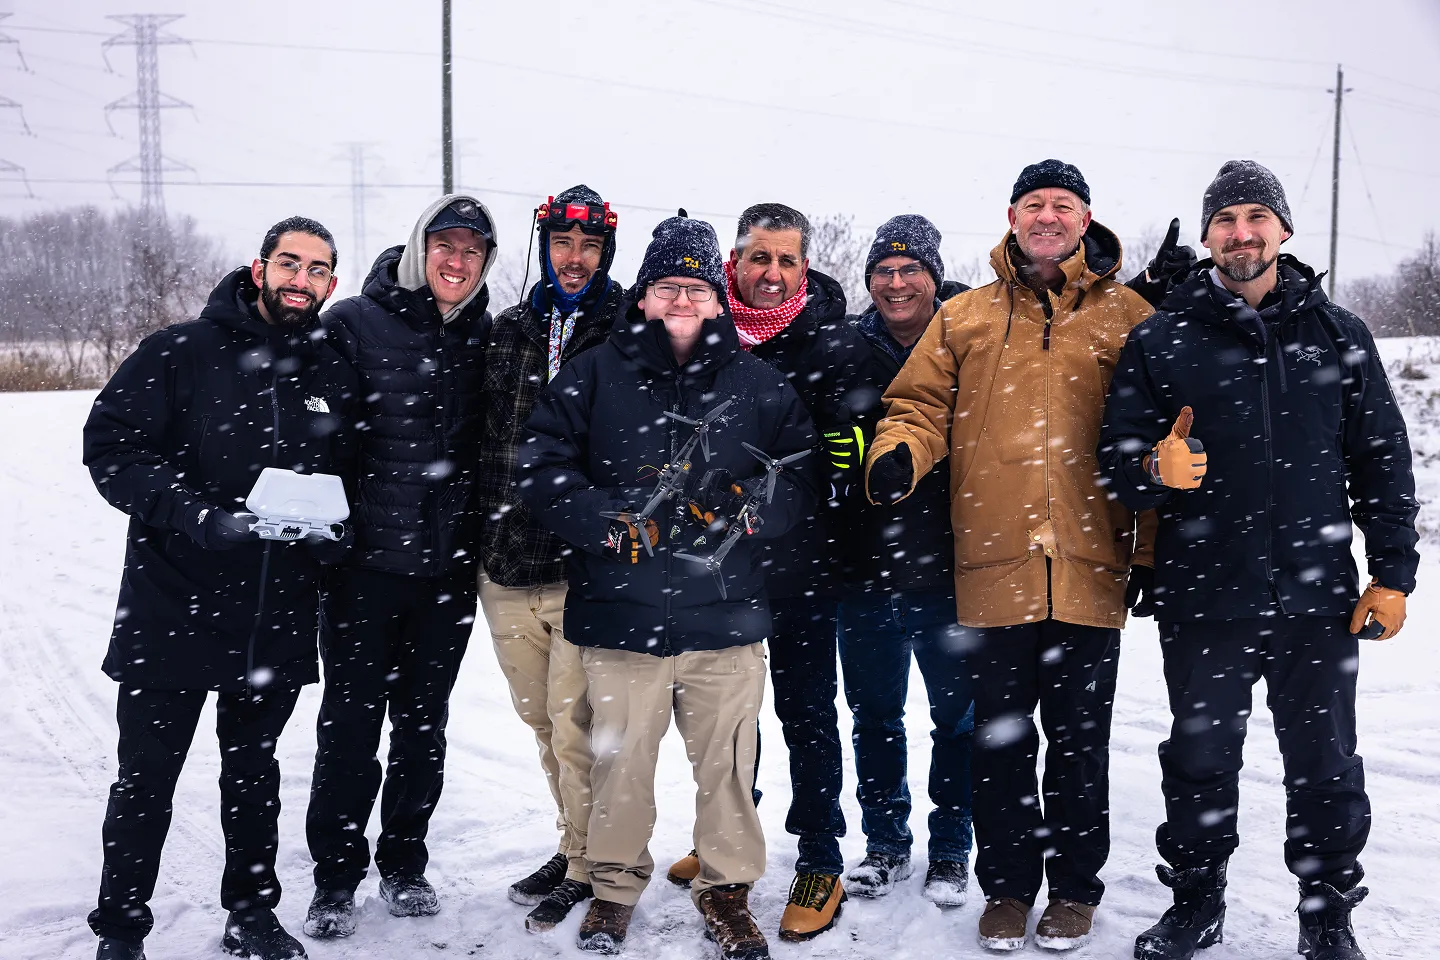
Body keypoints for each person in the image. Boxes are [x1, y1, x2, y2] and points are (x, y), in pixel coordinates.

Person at [1098, 160, 1419, 960]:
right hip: (1205, 597)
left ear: (1282, 230)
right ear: (1206, 236)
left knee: (1326, 764)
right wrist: (1149, 471)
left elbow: (1381, 459)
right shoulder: (1161, 336)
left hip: (1317, 597)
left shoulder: (1338, 333)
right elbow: (1114, 460)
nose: (1240, 234)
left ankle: (1327, 911)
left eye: (1254, 217)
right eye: (1225, 220)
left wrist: (1392, 573)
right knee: (1200, 759)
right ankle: (1197, 901)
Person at [865, 161, 1155, 952]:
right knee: (998, 739)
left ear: (1086, 218)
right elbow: (917, 406)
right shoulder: (964, 315)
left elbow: (1164, 432)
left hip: (1092, 563)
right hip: (993, 563)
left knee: (1080, 742)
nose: (1048, 216)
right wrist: (899, 453)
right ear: (1012, 216)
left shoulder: (1128, 315)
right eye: (1035, 205)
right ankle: (1006, 888)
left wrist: (1151, 552)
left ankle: (1074, 890)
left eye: (1063, 205)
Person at [520, 215, 818, 960]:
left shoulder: (758, 383)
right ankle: (614, 890)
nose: (681, 299)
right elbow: (542, 464)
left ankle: (726, 892)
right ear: (645, 297)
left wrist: (749, 509)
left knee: (727, 769)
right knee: (622, 766)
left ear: (717, 299)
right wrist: (605, 520)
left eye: (694, 286)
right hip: (620, 618)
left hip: (727, 620)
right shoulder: (592, 374)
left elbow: (801, 471)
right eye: (666, 286)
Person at [82, 217, 356, 960]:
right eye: (290, 263)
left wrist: (338, 532)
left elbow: (346, 477)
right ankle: (121, 928)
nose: (302, 279)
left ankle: (251, 915)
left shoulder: (329, 371)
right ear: (259, 267)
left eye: (319, 270)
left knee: (253, 775)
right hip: (172, 604)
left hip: (275, 611)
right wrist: (199, 516)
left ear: (332, 284)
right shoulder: (180, 350)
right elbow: (110, 448)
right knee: (145, 782)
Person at [666, 201, 878, 944]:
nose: (772, 272)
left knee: (808, 714)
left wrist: (802, 485)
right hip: (717, 570)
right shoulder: (701, 336)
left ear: (804, 265)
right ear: (735, 260)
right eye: (760, 257)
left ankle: (820, 857)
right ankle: (726, 837)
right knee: (727, 719)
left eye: (787, 259)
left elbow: (840, 459)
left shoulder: (835, 345)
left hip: (802, 567)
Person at [303, 195, 497, 938]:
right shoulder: (354, 322)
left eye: (473, 251)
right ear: (420, 247)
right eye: (445, 245)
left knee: (423, 724)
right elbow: (317, 434)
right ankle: (335, 877)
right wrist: (327, 539)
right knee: (351, 725)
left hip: (447, 573)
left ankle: (405, 863)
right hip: (363, 568)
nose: (457, 261)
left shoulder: (485, 334)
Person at [476, 185, 625, 931]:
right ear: (545, 248)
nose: (574, 259)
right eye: (563, 245)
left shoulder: (626, 330)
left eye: (589, 246)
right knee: (541, 722)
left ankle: (591, 867)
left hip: (582, 568)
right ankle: (572, 843)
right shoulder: (506, 329)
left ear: (605, 253)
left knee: (578, 725)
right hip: (505, 565)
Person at [838, 214, 975, 908]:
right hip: (861, 574)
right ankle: (887, 843)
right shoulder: (844, 348)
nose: (896, 283)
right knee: (874, 719)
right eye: (883, 272)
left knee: (957, 721)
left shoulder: (970, 338)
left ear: (932, 274)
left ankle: (952, 848)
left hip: (950, 573)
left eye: (909, 270)